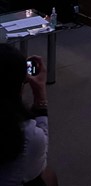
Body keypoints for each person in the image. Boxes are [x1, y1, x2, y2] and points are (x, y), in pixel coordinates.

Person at [0, 44, 57, 186]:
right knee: (48, 176)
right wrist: (40, 95)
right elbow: (40, 156)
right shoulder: (27, 135)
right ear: (20, 86)